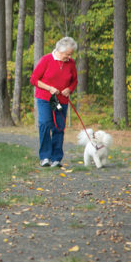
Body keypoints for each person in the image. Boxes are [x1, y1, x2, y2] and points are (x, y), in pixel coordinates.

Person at [30, 37, 78, 168]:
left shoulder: (71, 63)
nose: (69, 57)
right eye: (67, 54)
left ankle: (56, 158)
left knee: (59, 127)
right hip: (45, 98)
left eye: (71, 54)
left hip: (62, 100)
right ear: (59, 50)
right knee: (45, 124)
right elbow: (34, 79)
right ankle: (45, 157)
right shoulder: (46, 60)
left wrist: (69, 89)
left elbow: (74, 81)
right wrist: (49, 88)